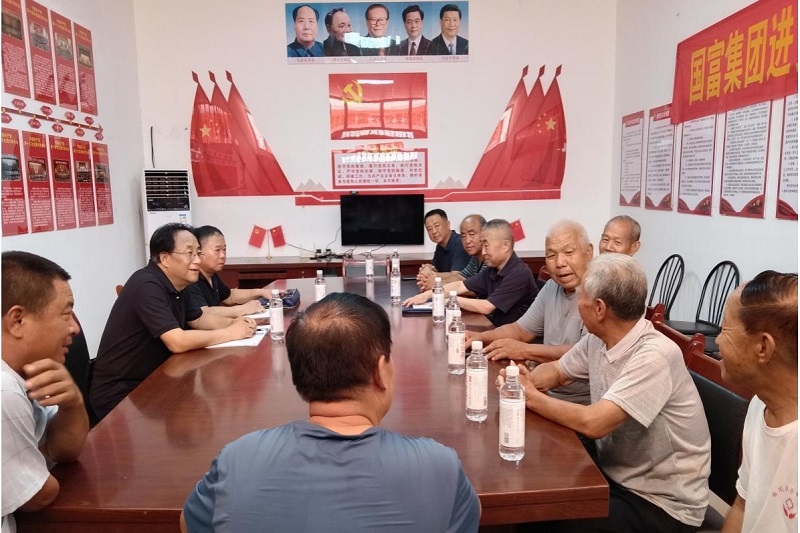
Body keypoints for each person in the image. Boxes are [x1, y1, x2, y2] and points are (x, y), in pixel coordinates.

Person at [181, 292, 481, 532]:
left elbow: (189, 523)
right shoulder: (439, 468)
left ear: (299, 372)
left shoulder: (237, 460)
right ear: (381, 371)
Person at [500, 254, 711, 532]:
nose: (577, 303)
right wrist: (523, 380)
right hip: (615, 473)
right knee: (533, 500)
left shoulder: (654, 355)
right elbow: (558, 371)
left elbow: (594, 423)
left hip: (661, 502)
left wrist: (530, 396)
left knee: (555, 521)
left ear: (599, 308)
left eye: (581, 297)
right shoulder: (598, 340)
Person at [89, 223, 256, 423]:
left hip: (155, 381)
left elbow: (198, 319)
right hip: (122, 394)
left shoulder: (179, 283)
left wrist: (236, 323)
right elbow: (177, 341)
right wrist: (231, 333)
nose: (197, 260)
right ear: (165, 258)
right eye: (189, 253)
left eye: (198, 253)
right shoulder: (147, 285)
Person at [1, 252, 89, 533]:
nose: (75, 328)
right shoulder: (4, 390)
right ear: (17, 321)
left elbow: (64, 451)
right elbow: (38, 495)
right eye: (66, 314)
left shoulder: (26, 374)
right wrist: (42, 455)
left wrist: (73, 404)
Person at [466, 220, 594, 405]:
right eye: (551, 255)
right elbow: (520, 330)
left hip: (580, 403)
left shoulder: (599, 293)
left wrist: (525, 350)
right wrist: (480, 337)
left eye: (568, 252)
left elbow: (583, 353)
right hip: (544, 390)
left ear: (588, 252)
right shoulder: (551, 287)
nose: (560, 263)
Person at [718, 271, 797, 533]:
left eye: (724, 329)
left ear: (763, 347)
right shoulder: (760, 404)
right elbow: (742, 506)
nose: (717, 340)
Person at [405, 219, 538, 327]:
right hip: (495, 328)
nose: (483, 252)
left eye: (486, 246)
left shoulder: (519, 273)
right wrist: (428, 295)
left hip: (514, 340)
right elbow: (460, 285)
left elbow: (487, 307)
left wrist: (451, 300)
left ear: (505, 245)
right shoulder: (493, 269)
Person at [187, 225, 270, 318]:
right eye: (217, 250)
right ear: (199, 251)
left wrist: (261, 292)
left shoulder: (211, 274)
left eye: (224, 249)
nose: (223, 255)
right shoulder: (191, 279)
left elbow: (229, 296)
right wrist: (243, 309)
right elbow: (203, 313)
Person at [417, 214, 487, 291]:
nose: (467, 241)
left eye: (472, 234)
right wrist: (430, 276)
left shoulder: (489, 258)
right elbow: (461, 277)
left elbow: (479, 289)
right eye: (463, 236)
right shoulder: (475, 258)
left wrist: (437, 284)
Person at [422, 208, 471, 275]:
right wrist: (428, 268)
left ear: (448, 224)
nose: (434, 231)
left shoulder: (460, 243)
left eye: (437, 226)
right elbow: (435, 268)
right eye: (429, 229)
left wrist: (431, 275)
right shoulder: (440, 246)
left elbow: (456, 276)